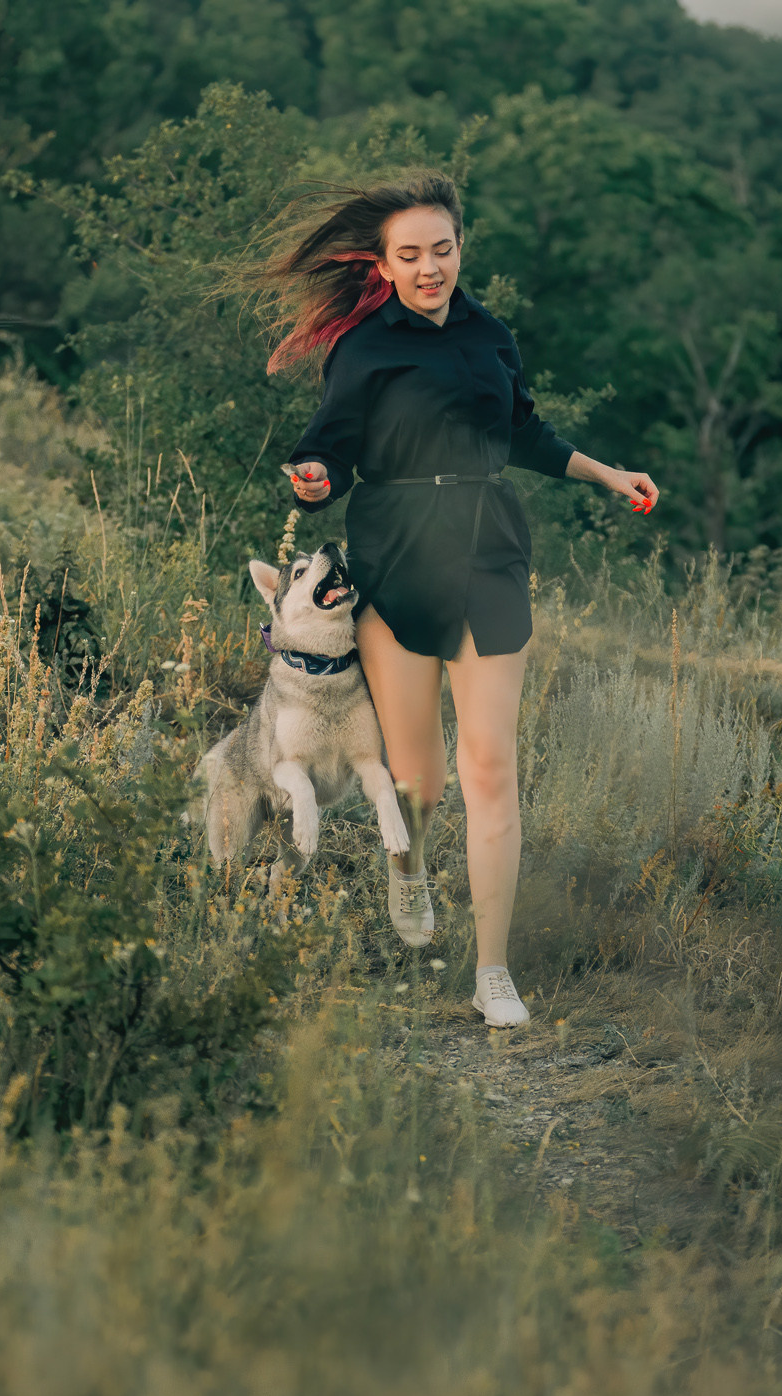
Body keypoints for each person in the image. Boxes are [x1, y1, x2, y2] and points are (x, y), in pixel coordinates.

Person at [261, 171, 660, 1028]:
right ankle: (407, 867)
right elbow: (325, 452)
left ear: (459, 247)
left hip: (488, 550)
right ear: (384, 262)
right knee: (423, 786)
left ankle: (493, 971)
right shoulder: (363, 347)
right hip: (396, 551)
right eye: (410, 254)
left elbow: (524, 432)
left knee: (490, 769)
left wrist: (608, 474)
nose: (430, 267)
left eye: (442, 249)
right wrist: (310, 480)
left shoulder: (491, 335)